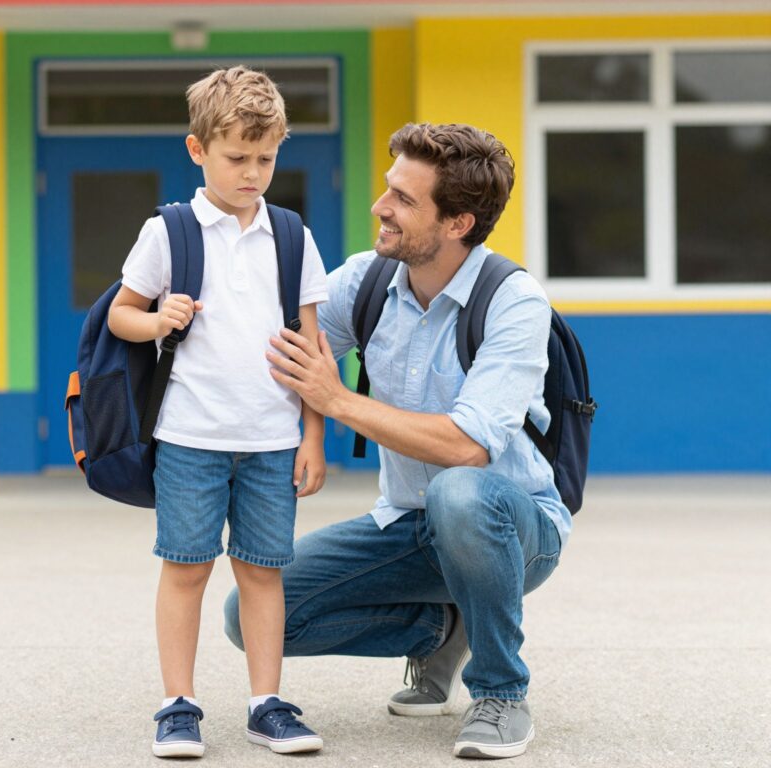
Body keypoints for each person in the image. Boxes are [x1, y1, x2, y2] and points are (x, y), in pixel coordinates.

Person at [224, 122, 569, 760]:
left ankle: (501, 692)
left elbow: (467, 446)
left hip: (515, 530)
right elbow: (287, 357)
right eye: (389, 188)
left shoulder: (514, 302)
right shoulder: (367, 280)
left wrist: (338, 402)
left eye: (404, 199)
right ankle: (442, 628)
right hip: (408, 525)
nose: (380, 206)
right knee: (249, 616)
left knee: (460, 492)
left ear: (458, 223)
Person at [107, 66, 328, 759]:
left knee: (262, 571)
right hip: (190, 438)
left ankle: (267, 704)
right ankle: (178, 705)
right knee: (186, 568)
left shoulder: (291, 236)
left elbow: (312, 346)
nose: (253, 173)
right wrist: (158, 319)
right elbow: (120, 315)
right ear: (198, 150)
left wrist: (313, 434)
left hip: (271, 440)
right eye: (238, 158)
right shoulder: (168, 232)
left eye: (266, 158)